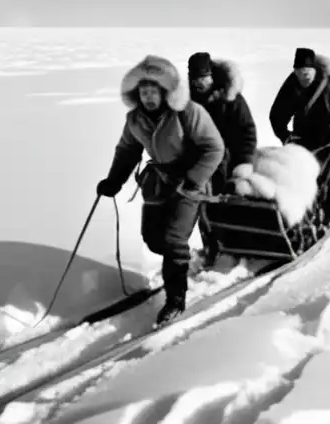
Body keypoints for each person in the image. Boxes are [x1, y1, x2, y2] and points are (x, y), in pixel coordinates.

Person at [96, 54, 225, 327]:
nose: (149, 98)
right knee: (153, 238)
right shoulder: (135, 119)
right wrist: (113, 180)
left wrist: (193, 179)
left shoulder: (188, 112)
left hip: (189, 183)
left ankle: (175, 300)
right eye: (144, 92)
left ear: (165, 92)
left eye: (154, 91)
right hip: (157, 184)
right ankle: (179, 261)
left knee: (173, 240)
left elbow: (214, 148)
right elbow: (127, 150)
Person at [268, 47, 330, 225]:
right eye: (300, 71)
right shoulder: (291, 86)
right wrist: (285, 136)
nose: (304, 75)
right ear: (295, 72)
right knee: (304, 178)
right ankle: (306, 217)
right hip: (303, 138)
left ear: (315, 70)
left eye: (307, 71)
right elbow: (276, 115)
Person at [187, 52, 257, 195]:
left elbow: (247, 132)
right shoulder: (187, 103)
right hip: (198, 167)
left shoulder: (232, 101)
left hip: (228, 165)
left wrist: (244, 162)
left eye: (203, 77)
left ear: (212, 76)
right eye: (195, 78)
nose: (199, 82)